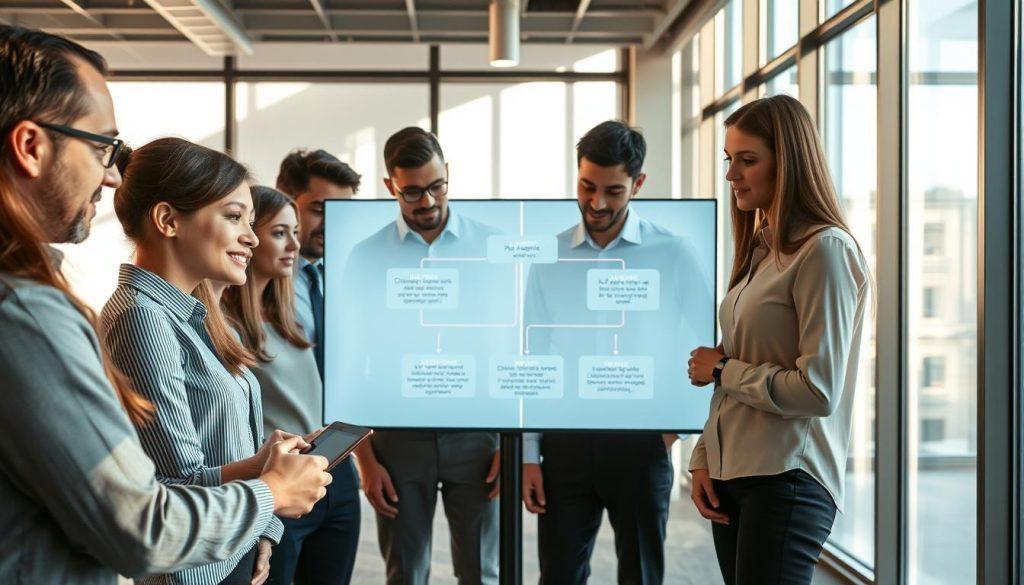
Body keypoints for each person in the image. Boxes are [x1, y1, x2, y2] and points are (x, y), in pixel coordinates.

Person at [0, 25, 330, 585]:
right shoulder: (40, 312)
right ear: (32, 146)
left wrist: (259, 483)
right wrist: (270, 494)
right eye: (101, 147)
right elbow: (147, 520)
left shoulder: (179, 313)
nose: (109, 175)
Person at [100, 137, 318, 585]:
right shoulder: (142, 318)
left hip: (232, 550)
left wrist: (266, 512)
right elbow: (174, 487)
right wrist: (271, 488)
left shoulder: (195, 315)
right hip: (198, 570)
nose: (252, 238)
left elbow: (217, 458)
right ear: (168, 220)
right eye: (234, 217)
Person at [686, 95, 870, 585]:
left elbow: (818, 390)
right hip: (736, 474)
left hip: (787, 478)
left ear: (787, 162)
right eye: (730, 160)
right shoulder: (760, 251)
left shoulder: (825, 251)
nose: (732, 176)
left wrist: (722, 370)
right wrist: (704, 458)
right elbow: (738, 364)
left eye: (747, 161)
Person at [520, 120, 712, 585]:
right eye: (586, 187)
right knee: (559, 576)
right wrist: (529, 452)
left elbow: (710, 347)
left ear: (638, 184)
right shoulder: (549, 256)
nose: (597, 203)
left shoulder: (674, 252)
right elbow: (532, 354)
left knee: (642, 575)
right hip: (564, 445)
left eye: (613, 190)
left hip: (642, 444)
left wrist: (674, 432)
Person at [341, 127, 502, 585]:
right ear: (390, 186)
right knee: (405, 574)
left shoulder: (492, 248)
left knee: (482, 573)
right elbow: (354, 363)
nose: (427, 202)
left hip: (477, 436)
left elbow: (516, 347)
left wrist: (511, 444)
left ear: (448, 174)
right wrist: (366, 461)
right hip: (397, 442)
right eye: (412, 191)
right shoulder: (366, 257)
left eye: (436, 186)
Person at [223, 185, 361, 585]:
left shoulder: (293, 315)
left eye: (295, 233)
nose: (294, 245)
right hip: (279, 481)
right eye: (279, 233)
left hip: (334, 474)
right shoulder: (226, 328)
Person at [276, 148, 361, 378]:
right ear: (285, 204)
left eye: (341, 213)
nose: (331, 222)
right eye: (319, 209)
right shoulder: (259, 278)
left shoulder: (350, 276)